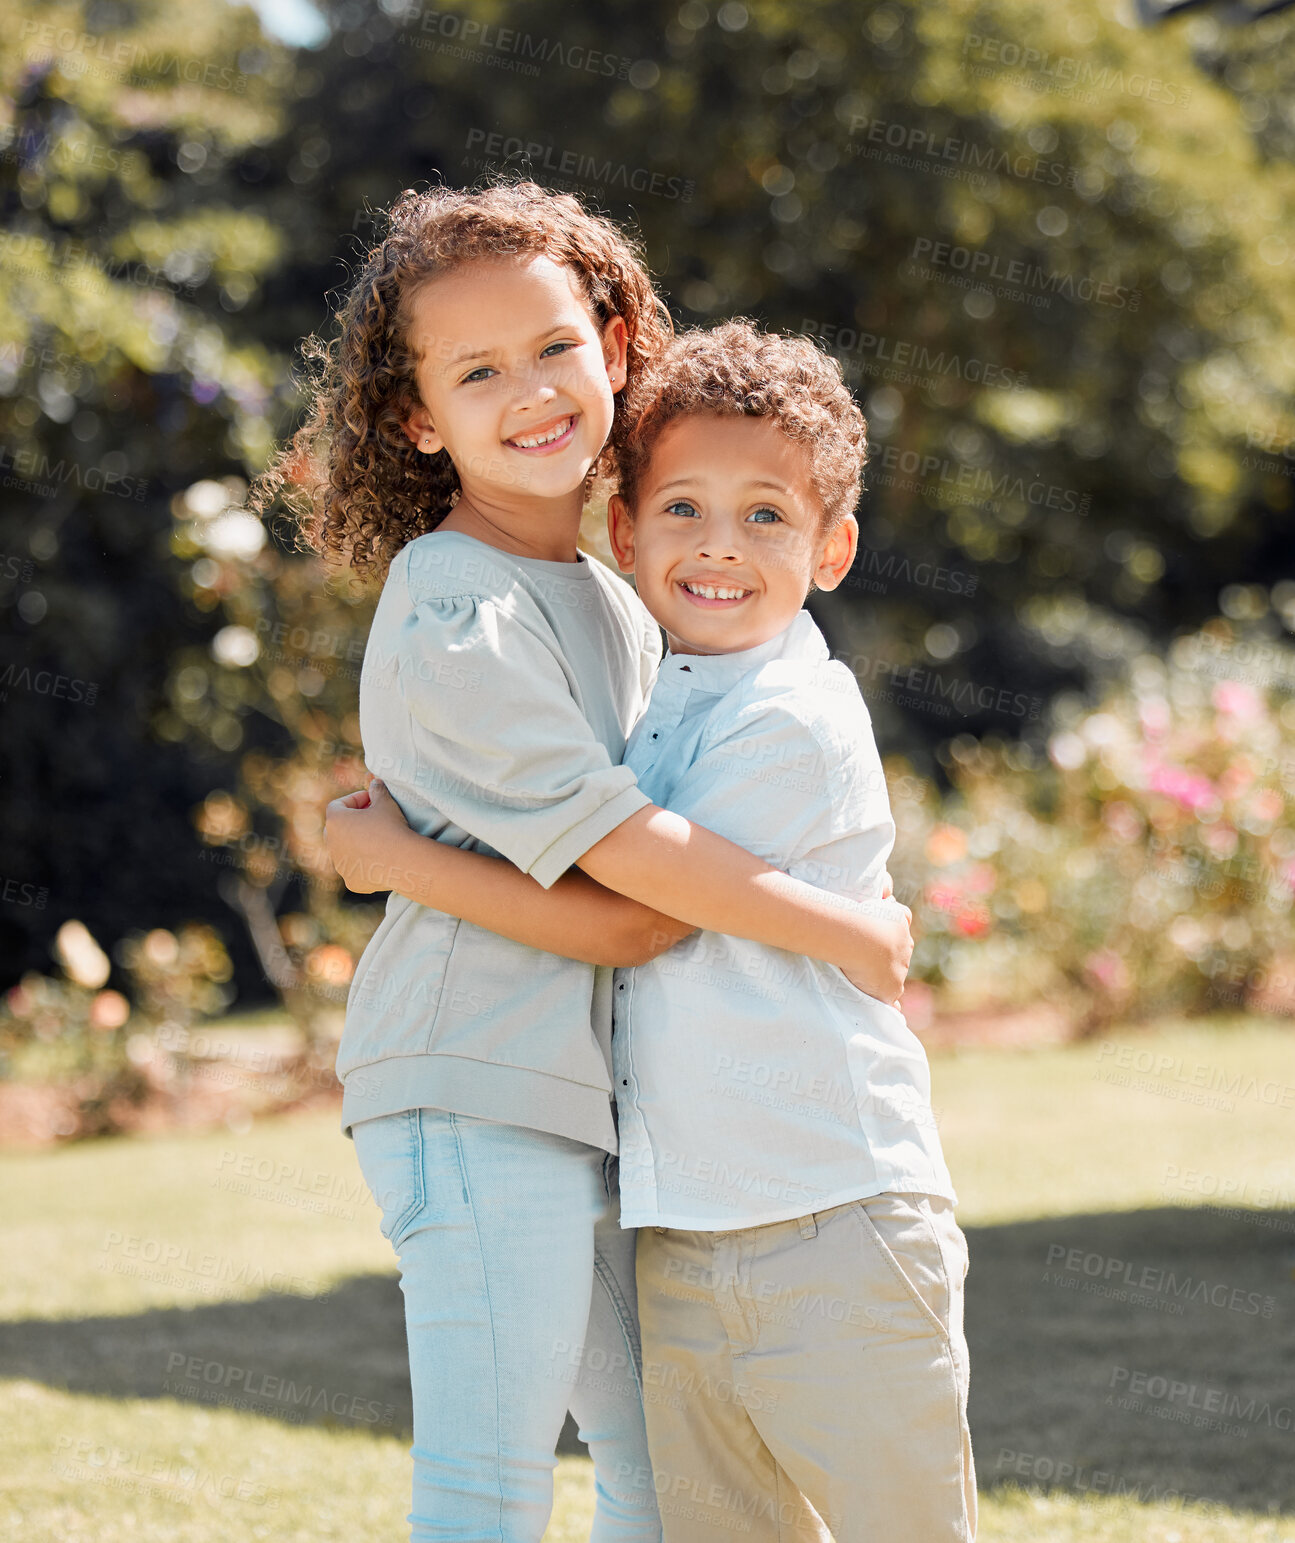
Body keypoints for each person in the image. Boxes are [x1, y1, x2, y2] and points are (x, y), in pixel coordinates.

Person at [273, 179, 913, 1543]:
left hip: (589, 1101)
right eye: (478, 370)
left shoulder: (615, 593)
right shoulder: (458, 606)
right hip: (474, 1083)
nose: (533, 390)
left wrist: (387, 856)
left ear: (620, 347)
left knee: (661, 1476)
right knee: (489, 1478)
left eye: (559, 346)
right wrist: (845, 929)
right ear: (415, 418)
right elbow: (631, 914)